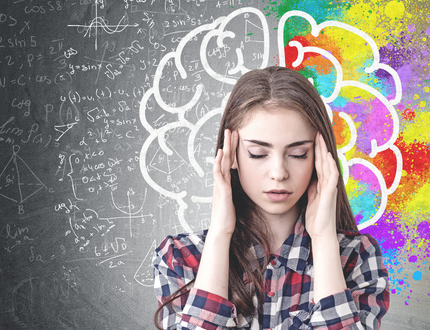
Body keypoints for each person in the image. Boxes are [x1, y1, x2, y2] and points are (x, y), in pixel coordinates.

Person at [153, 66, 389, 330]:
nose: (278, 173)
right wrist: (220, 234)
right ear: (231, 154)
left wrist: (323, 241)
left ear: (320, 157)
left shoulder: (356, 257)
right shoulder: (180, 258)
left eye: (298, 153)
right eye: (257, 153)